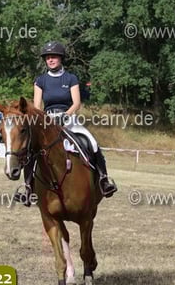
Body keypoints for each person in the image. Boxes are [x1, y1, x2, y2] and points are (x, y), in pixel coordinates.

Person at [14, 41, 117, 206]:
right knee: (32, 149)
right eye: (48, 57)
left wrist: (65, 115)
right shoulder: (40, 80)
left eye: (53, 57)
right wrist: (42, 120)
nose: (50, 60)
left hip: (68, 118)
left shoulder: (71, 78)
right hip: (47, 120)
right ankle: (27, 188)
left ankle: (104, 180)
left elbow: (76, 103)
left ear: (61, 58)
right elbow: (37, 106)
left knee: (91, 142)